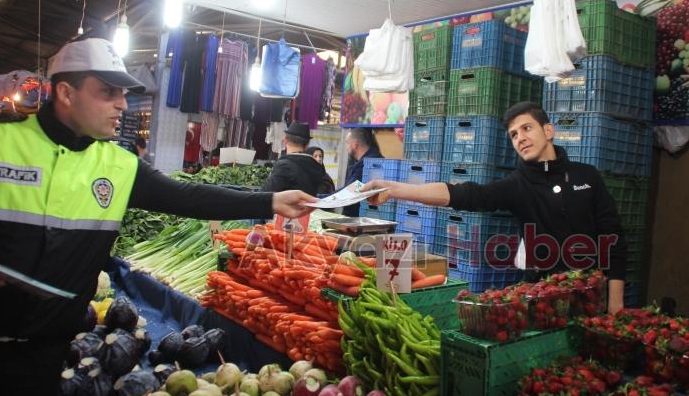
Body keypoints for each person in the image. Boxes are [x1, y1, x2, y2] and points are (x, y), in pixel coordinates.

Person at [0, 38, 314, 396]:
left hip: (45, 357)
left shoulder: (120, 166)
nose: (122, 104)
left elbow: (189, 197)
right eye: (107, 92)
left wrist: (268, 201)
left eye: (123, 93)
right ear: (65, 92)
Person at [364, 102, 626, 314]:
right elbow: (465, 195)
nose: (520, 138)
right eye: (514, 135)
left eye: (527, 129)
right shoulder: (517, 185)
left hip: (592, 296)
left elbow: (612, 239)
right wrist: (396, 189)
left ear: (548, 131)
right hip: (546, 300)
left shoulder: (586, 176)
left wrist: (615, 303)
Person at [263, 122, 334, 197]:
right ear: (307, 144)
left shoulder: (283, 166)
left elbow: (267, 196)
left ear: (285, 141)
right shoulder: (318, 167)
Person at [342, 127, 384, 216]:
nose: (346, 147)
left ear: (355, 144)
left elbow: (351, 189)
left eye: (347, 143)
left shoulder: (364, 164)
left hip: (358, 215)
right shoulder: (376, 157)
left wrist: (320, 198)